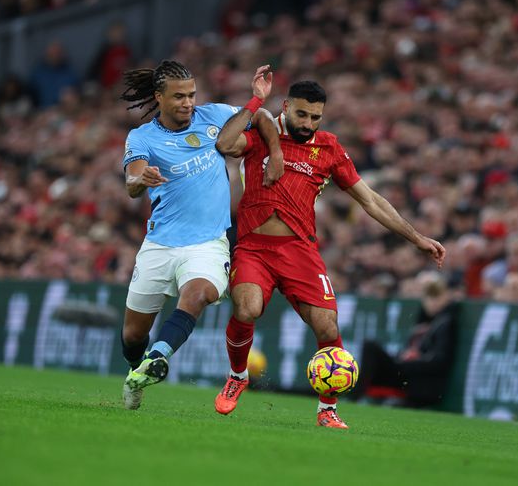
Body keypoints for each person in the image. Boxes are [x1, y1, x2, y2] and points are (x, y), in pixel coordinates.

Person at [212, 80, 446, 428]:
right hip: (254, 247)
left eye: (316, 117)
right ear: (287, 106)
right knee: (247, 307)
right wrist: (256, 98)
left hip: (299, 250)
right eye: (302, 114)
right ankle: (237, 375)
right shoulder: (260, 134)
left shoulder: (329, 148)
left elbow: (370, 200)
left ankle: (327, 409)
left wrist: (416, 237)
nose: (308, 124)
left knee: (326, 325)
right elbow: (225, 143)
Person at [118, 59, 284, 411]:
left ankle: (159, 357)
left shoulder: (215, 115)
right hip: (160, 244)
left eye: (191, 95)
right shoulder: (142, 137)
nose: (188, 103)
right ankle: (138, 368)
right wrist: (139, 179)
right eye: (179, 96)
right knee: (133, 336)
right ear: (159, 97)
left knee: (200, 293)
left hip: (208, 243)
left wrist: (276, 149)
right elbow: (132, 182)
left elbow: (262, 118)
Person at [351, 271, 456, 408]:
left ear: (445, 297)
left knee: (371, 347)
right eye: (428, 297)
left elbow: (440, 359)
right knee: (371, 349)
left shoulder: (446, 322)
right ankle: (351, 390)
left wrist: (414, 359)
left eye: (435, 296)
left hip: (417, 378)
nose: (430, 302)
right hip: (407, 371)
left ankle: (355, 394)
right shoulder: (424, 320)